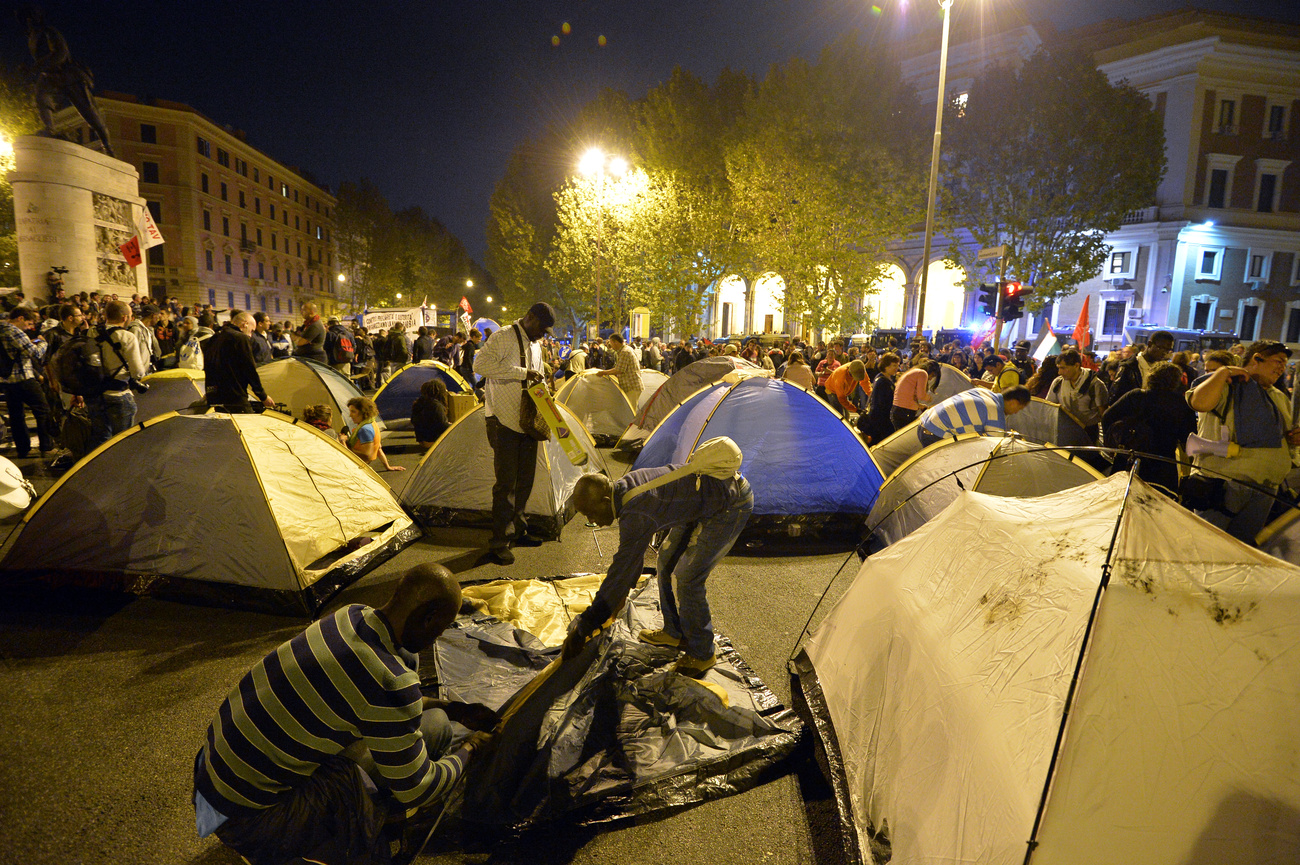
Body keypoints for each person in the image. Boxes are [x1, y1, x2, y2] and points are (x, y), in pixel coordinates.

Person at [192, 564, 497, 865]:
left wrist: (451, 708)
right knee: (358, 798)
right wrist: (470, 749)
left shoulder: (348, 616)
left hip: (212, 776)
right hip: (249, 818)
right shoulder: (389, 681)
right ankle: (297, 849)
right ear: (429, 620)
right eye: (440, 630)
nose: (436, 639)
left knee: (436, 723)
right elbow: (418, 789)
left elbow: (377, 700)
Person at [563, 463, 753, 678]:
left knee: (688, 578)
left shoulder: (635, 511)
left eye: (590, 513)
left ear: (606, 501)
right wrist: (621, 593)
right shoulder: (624, 490)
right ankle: (675, 632)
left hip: (730, 504)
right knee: (666, 561)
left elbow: (622, 567)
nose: (591, 521)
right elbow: (632, 559)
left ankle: (702, 653)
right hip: (700, 501)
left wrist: (586, 626)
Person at [1185, 340, 1300, 543]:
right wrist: (1223, 372)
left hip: (1265, 489)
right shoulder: (1227, 385)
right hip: (1225, 486)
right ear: (1256, 359)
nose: (1282, 368)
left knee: (1240, 551)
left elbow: (1282, 437)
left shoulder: (1278, 397)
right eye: (1278, 361)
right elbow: (1199, 402)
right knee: (1206, 546)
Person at [473, 302, 554, 565]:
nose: (543, 335)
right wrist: (522, 373)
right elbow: (480, 364)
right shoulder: (503, 336)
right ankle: (499, 542)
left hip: (527, 422)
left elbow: (534, 377)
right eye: (542, 329)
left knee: (525, 481)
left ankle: (519, 530)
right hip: (503, 421)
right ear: (529, 317)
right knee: (506, 485)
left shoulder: (535, 344)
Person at [1102, 361, 1196, 493]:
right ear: (1176, 381)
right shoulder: (1181, 404)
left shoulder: (1136, 396)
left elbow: (1107, 417)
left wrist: (1114, 443)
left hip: (1129, 458)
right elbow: (1188, 436)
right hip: (1163, 464)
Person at [87, 300, 147, 447]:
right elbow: (137, 372)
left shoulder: (92, 332)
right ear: (124, 317)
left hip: (96, 394)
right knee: (123, 441)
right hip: (118, 395)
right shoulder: (127, 337)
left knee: (101, 441)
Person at [1, 307, 56, 459]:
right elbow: (36, 353)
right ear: (20, 318)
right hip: (23, 378)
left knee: (16, 415)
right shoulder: (14, 331)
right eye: (28, 323)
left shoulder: (2, 328)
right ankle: (47, 447)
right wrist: (43, 343)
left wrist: (28, 342)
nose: (29, 327)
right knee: (43, 410)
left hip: (6, 380)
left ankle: (23, 450)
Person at [205, 312, 276, 413]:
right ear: (245, 324)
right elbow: (250, 370)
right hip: (235, 398)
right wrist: (263, 396)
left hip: (213, 397)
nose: (251, 335)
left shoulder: (214, 338)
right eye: (251, 331)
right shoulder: (240, 338)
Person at [918, 385, 1031, 446]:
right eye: (1019, 408)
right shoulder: (995, 413)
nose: (1016, 412)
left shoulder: (983, 392)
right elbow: (994, 446)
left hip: (924, 423)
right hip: (936, 434)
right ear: (1014, 402)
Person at [1045, 348, 1110, 441]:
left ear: (1076, 365)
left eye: (1063, 368)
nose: (1059, 372)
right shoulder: (1058, 382)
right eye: (1058, 368)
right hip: (1064, 431)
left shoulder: (1095, 384)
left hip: (1088, 432)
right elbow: (1050, 406)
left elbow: (1104, 414)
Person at [341, 396, 404, 472]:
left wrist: (343, 442)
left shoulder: (364, 430)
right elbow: (378, 448)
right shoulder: (372, 423)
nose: (350, 415)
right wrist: (388, 466)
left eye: (353, 411)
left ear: (363, 412)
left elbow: (367, 457)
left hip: (357, 466)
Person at [1111, 330, 1174, 403]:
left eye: (1167, 350)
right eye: (1160, 348)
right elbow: (1115, 398)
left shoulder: (1164, 370)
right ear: (1150, 344)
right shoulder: (1129, 367)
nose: (1164, 353)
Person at [859, 352, 901, 445]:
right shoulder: (882, 382)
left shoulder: (882, 378)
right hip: (880, 422)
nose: (896, 368)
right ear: (886, 366)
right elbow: (879, 404)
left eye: (897, 365)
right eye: (894, 365)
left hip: (881, 420)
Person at [595, 333, 642, 407]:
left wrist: (603, 372)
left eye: (611, 343)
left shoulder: (625, 352)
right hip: (631, 386)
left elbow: (619, 370)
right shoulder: (626, 349)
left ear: (615, 342)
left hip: (632, 386)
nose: (610, 345)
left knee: (631, 411)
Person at [892, 359, 938, 431]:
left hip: (898, 410)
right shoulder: (922, 373)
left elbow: (907, 396)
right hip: (905, 412)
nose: (931, 378)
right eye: (933, 375)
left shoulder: (914, 371)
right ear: (931, 371)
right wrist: (930, 398)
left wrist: (919, 405)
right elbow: (921, 395)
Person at [412, 378, 452, 451]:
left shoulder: (419, 402)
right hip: (431, 441)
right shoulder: (436, 405)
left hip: (422, 440)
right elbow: (443, 426)